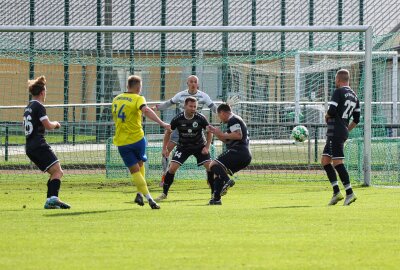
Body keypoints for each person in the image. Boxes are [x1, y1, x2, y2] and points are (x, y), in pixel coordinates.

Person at [112, 75, 171, 210]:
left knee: (135, 170)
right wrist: (161, 123)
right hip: (137, 139)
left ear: (127, 86)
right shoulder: (138, 98)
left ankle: (140, 194)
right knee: (140, 164)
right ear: (139, 87)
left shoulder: (116, 99)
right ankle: (149, 198)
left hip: (121, 141)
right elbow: (145, 110)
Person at [153, 75, 218, 186]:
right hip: (180, 129)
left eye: (195, 82)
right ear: (187, 83)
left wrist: (225, 110)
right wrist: (156, 108)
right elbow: (168, 103)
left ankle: (210, 177)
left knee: (205, 155)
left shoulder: (204, 96)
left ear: (198, 84)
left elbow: (214, 108)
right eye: (191, 82)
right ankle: (164, 176)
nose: (193, 84)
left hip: (196, 130)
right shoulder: (181, 95)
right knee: (165, 151)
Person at [23, 76, 70, 209]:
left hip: (29, 146)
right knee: (58, 172)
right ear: (42, 92)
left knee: (54, 172)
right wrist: (56, 124)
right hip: (39, 145)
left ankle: (50, 200)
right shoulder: (39, 106)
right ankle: (53, 199)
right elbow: (48, 125)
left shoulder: (28, 107)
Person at [155, 96, 214, 201]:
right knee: (172, 168)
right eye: (191, 106)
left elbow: (209, 132)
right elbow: (168, 132)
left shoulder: (200, 118)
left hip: (199, 146)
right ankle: (164, 193)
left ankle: (214, 194)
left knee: (210, 167)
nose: (193, 108)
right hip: (183, 147)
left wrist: (207, 147)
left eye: (195, 106)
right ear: (185, 106)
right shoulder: (178, 118)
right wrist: (165, 148)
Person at [322, 69, 360, 206]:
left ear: (338, 80)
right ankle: (336, 192)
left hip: (335, 131)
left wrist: (327, 116)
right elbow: (356, 119)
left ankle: (350, 193)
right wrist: (346, 129)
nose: (335, 82)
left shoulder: (338, 92)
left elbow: (332, 111)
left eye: (335, 80)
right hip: (340, 131)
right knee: (325, 161)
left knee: (337, 162)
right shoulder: (355, 96)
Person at [207, 103, 252, 205]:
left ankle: (227, 181)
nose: (220, 119)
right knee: (218, 173)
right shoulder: (234, 120)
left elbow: (238, 135)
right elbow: (227, 140)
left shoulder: (233, 119)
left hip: (239, 151)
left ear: (222, 113)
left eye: (219, 116)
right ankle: (216, 199)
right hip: (245, 156)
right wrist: (216, 132)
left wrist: (221, 133)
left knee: (213, 165)